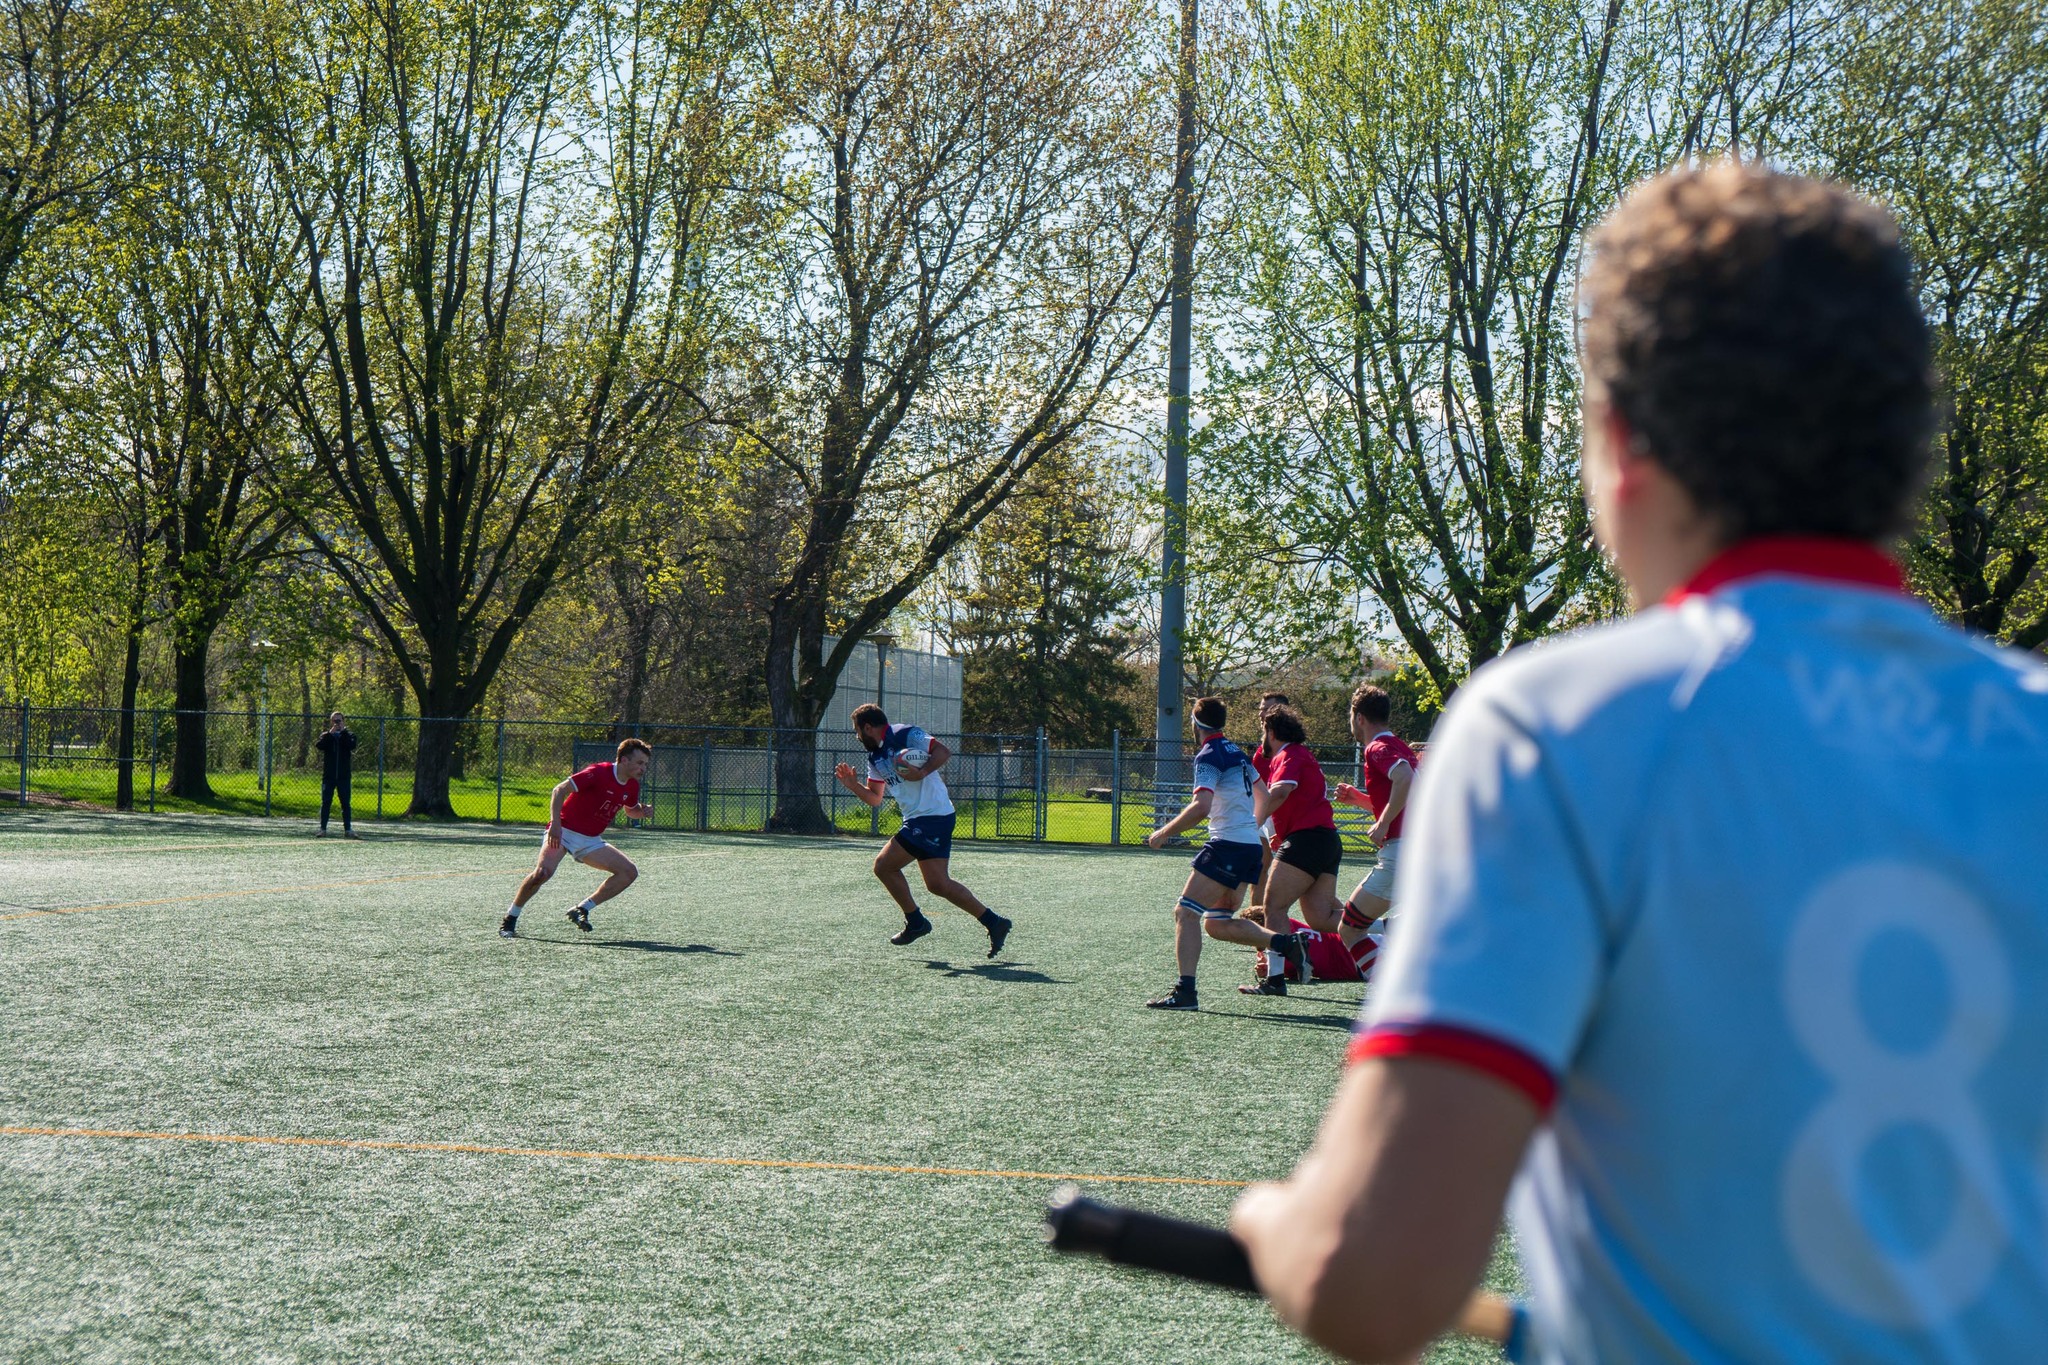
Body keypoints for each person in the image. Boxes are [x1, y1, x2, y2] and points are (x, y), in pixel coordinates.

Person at [1228, 162, 2048, 1361]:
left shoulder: (1551, 728)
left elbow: (1372, 1286)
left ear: (1618, 442)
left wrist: (1276, 1226)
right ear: (1902, 447)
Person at [1142, 697, 1306, 1011]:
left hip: (1227, 845)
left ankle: (1185, 993)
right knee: (1216, 923)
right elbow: (1265, 795)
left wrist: (1163, 832)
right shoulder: (1239, 754)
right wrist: (1249, 826)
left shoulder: (1208, 755)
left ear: (1195, 723)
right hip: (1248, 846)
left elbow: (1201, 807)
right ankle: (1283, 942)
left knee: (1185, 913)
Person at [833, 703, 1012, 957]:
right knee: (938, 884)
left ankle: (916, 922)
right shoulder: (875, 757)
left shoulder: (906, 733)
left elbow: (942, 751)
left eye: (857, 731)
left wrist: (923, 772)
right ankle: (995, 922)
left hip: (931, 816)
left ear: (868, 727)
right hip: (921, 819)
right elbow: (875, 798)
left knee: (884, 865)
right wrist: (853, 785)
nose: (857, 736)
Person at [500, 737, 654, 938]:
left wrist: (642, 812)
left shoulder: (632, 785)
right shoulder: (598, 772)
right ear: (624, 760)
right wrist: (555, 825)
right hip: (563, 832)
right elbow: (559, 790)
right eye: (639, 763)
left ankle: (583, 908)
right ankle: (510, 919)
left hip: (590, 840)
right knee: (542, 873)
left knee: (629, 872)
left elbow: (630, 810)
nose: (643, 768)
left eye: (645, 764)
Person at [1246, 705, 1342, 992]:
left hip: (1307, 841)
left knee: (1273, 907)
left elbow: (1281, 791)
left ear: (1271, 731)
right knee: (1321, 918)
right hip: (1326, 840)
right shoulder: (1301, 754)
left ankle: (1275, 980)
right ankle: (1389, 928)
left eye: (1263, 729)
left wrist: (1253, 824)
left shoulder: (1288, 754)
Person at [1331, 683, 1417, 949]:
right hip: (1419, 850)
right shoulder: (1402, 746)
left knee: (1348, 928)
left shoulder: (1376, 747)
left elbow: (1405, 778)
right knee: (1357, 925)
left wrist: (1382, 823)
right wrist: (1360, 800)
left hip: (1399, 854)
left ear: (1359, 717)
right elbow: (1407, 798)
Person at [1239, 905, 1379, 988]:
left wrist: (1268, 968)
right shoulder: (1288, 923)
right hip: (1364, 940)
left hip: (1361, 960)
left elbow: (1299, 972)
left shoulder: (1284, 957)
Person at [314, 712, 360, 838]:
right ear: (331, 722)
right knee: (326, 802)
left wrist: (343, 732)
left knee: (345, 803)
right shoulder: (326, 736)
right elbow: (320, 746)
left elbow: (351, 745)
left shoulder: (349, 735)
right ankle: (323, 829)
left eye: (339, 721)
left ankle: (348, 829)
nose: (337, 723)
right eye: (335, 721)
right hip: (329, 777)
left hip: (343, 777)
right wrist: (331, 733)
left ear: (343, 721)